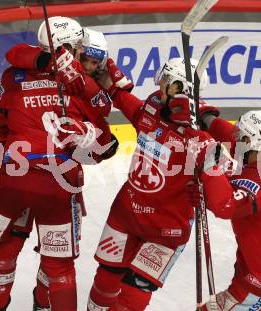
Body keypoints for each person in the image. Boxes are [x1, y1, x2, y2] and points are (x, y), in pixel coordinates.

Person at [0, 16, 111, 311]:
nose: (80, 53)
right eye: (77, 47)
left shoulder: (13, 77)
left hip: (13, 181)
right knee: (59, 269)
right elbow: (106, 144)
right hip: (58, 188)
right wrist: (88, 142)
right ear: (67, 47)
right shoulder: (80, 87)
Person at [0, 27, 130, 311]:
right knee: (8, 246)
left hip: (63, 183)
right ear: (74, 52)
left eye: (95, 62)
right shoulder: (51, 71)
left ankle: (43, 303)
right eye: (85, 57)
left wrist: (95, 146)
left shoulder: (89, 88)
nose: (88, 65)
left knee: (57, 257)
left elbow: (102, 139)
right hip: (26, 172)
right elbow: (17, 53)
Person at [86, 57, 243, 311]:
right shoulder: (154, 106)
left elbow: (232, 175)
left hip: (166, 230)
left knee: (130, 298)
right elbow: (138, 113)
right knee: (104, 282)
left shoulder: (201, 137)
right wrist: (113, 90)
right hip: (126, 215)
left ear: (177, 87)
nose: (160, 88)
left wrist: (206, 187)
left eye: (165, 84)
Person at [195, 109, 261, 311]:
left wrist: (212, 165)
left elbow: (224, 206)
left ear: (250, 142)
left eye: (241, 134)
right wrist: (207, 120)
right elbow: (235, 140)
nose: (236, 137)